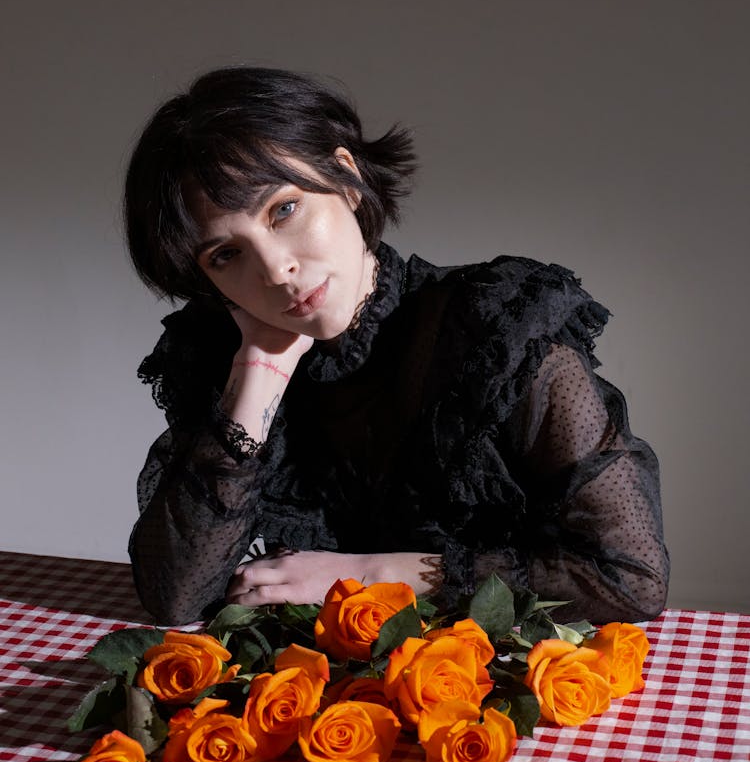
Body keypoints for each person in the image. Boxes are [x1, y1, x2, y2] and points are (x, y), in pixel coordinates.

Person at [124, 67, 669, 627]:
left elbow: (628, 581)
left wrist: (370, 575)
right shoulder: (224, 355)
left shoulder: (497, 332)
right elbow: (176, 597)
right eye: (226, 256)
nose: (276, 269)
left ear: (345, 176)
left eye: (283, 210)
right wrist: (259, 368)